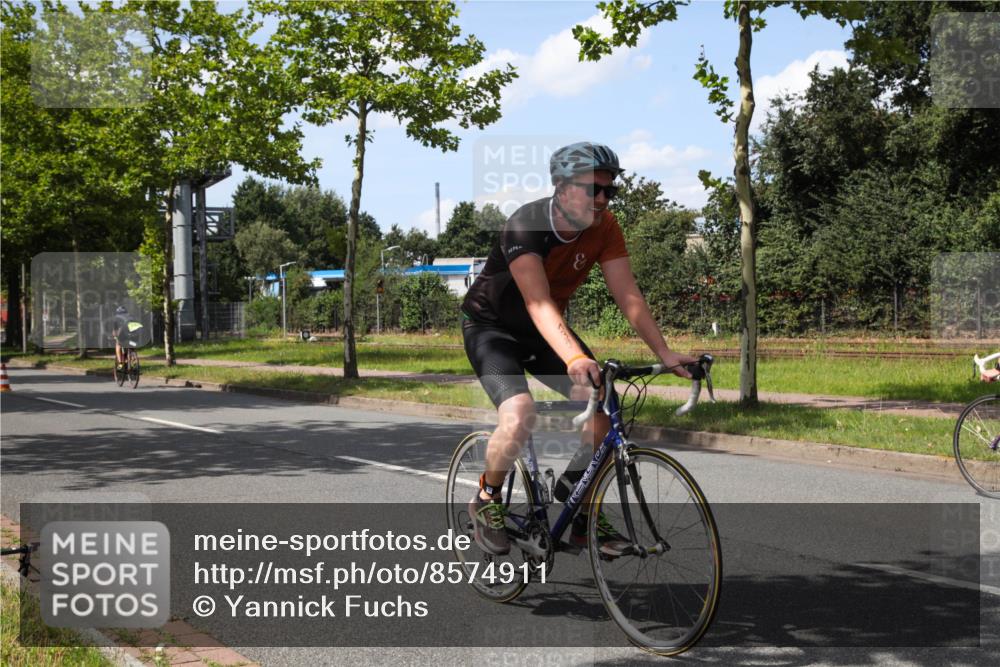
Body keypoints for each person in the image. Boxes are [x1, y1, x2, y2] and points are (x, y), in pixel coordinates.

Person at [461, 141, 697, 556]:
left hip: (543, 334)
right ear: (562, 187)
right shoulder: (526, 224)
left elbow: (628, 295)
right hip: (491, 328)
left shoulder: (605, 228)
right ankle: (485, 498)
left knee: (606, 407)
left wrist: (665, 353)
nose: (604, 199)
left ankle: (582, 512)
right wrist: (573, 357)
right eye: (594, 189)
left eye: (610, 190)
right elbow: (536, 301)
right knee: (519, 415)